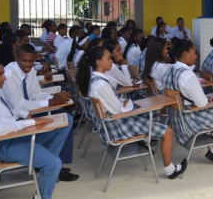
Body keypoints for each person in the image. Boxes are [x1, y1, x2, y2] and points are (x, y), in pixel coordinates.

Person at [76, 46, 187, 179]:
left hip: (111, 123)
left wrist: (127, 104)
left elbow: (115, 105)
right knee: (167, 131)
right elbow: (118, 109)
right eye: (108, 58)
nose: (111, 60)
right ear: (99, 62)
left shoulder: (96, 81)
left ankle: (147, 139)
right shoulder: (101, 85)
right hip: (116, 126)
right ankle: (170, 170)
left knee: (150, 114)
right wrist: (129, 105)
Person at [0, 57, 72, 199]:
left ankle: (43, 165)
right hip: (4, 145)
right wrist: (28, 123)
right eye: (0, 74)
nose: (5, 77)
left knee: (65, 122)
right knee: (54, 163)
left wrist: (27, 116)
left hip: (16, 134)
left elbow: (11, 111)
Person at [2, 44, 78, 182]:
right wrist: (50, 103)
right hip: (17, 118)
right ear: (16, 57)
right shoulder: (9, 75)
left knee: (65, 118)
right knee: (63, 120)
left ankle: (51, 162)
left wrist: (54, 98)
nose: (28, 64)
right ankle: (52, 164)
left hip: (30, 111)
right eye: (24, 60)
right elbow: (19, 105)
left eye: (31, 61)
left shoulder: (30, 70)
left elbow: (35, 94)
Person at [162, 40, 213, 164]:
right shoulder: (187, 75)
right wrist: (206, 99)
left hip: (175, 119)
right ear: (185, 54)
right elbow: (202, 104)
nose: (196, 56)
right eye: (194, 52)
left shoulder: (169, 70)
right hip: (188, 121)